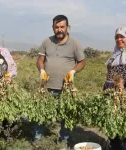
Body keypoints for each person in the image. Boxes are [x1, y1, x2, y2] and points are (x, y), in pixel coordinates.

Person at [35, 15, 85, 145]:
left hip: (66, 88)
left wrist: (73, 71)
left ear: (67, 27)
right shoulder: (47, 42)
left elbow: (82, 62)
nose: (59, 30)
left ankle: (64, 139)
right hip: (46, 86)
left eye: (62, 27)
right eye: (56, 27)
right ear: (53, 28)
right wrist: (42, 70)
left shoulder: (75, 44)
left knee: (66, 115)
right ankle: (38, 138)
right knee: (41, 112)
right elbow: (40, 60)